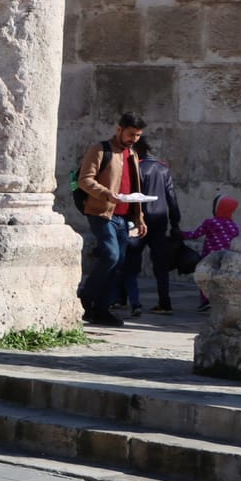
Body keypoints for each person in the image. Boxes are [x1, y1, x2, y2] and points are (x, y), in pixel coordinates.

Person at [77, 113, 150, 328]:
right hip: (102, 213)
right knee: (110, 254)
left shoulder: (132, 154)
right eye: (131, 134)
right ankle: (86, 295)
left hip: (124, 217)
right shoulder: (99, 150)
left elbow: (135, 188)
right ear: (119, 129)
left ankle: (101, 308)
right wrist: (107, 194)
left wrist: (140, 218)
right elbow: (85, 180)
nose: (134, 139)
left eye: (137, 135)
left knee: (118, 263)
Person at [121, 143, 181, 315]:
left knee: (130, 259)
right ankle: (165, 302)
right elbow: (171, 197)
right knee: (161, 265)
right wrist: (175, 222)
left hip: (139, 222)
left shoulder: (136, 167)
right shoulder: (163, 169)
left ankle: (126, 299)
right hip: (160, 222)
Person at [187, 195, 240, 312]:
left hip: (209, 256)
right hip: (226, 256)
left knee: (204, 278)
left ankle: (205, 301)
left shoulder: (211, 222)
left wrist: (179, 234)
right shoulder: (234, 225)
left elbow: (195, 234)